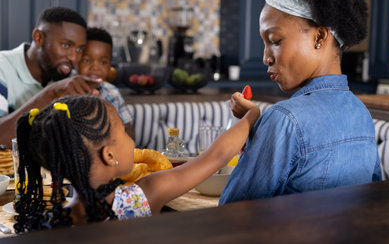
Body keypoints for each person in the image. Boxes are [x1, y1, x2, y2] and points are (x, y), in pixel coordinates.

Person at [219, 0, 381, 204]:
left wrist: (263, 130)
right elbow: (373, 200)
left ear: (319, 36)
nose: (265, 58)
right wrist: (260, 127)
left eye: (275, 40)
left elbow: (232, 212)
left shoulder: (284, 120)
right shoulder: (361, 114)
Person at [14, 94, 259, 232]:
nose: (131, 139)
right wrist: (253, 115)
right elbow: (215, 156)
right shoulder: (141, 197)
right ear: (109, 155)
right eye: (123, 131)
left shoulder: (46, 224)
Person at [0, 6, 102, 148]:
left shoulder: (69, 79)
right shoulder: (2, 68)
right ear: (39, 38)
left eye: (79, 49)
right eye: (66, 45)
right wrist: (51, 94)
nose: (73, 57)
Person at [78, 27, 134, 138]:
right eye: (87, 60)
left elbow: (128, 129)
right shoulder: (69, 91)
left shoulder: (112, 92)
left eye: (103, 62)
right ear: (76, 60)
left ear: (110, 66)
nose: (95, 67)